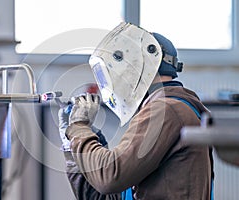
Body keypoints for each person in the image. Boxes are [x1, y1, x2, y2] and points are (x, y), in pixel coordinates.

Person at [58, 22, 212, 200]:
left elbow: (110, 178)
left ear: (139, 64)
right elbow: (102, 195)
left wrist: (79, 129)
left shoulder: (166, 111)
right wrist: (72, 145)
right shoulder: (162, 107)